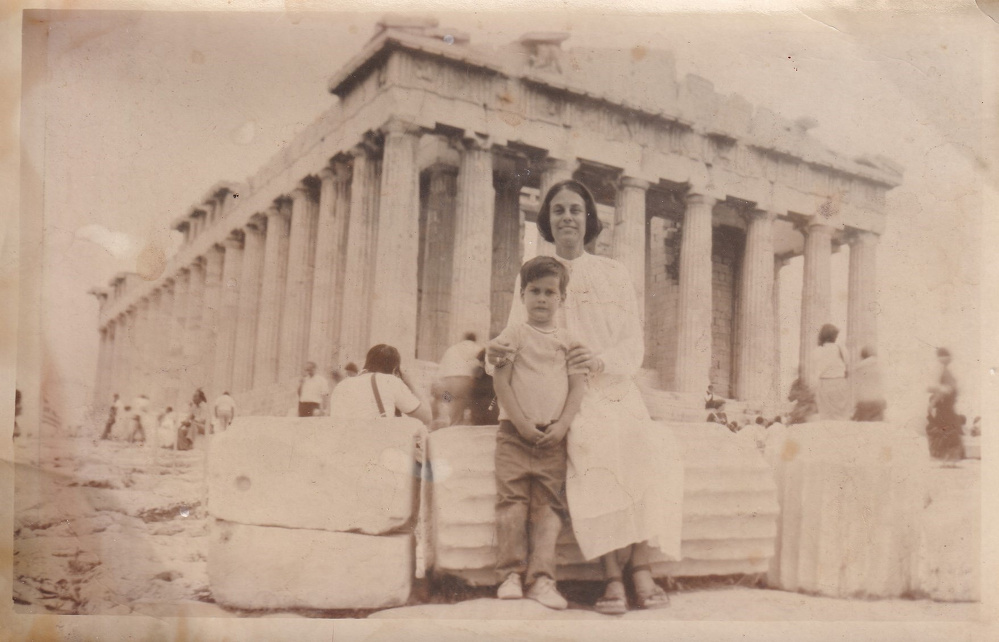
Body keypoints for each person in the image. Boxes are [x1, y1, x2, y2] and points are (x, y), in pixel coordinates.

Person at [489, 180, 682, 614]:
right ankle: (613, 577)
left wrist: (600, 361)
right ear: (547, 220)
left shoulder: (613, 273)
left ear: (589, 217)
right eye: (558, 210)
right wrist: (494, 356)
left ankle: (642, 569)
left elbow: (633, 346)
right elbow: (511, 339)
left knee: (646, 447)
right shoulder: (536, 271)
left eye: (575, 209)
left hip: (613, 386)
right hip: (566, 397)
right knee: (593, 454)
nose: (567, 218)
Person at [491, 256, 587, 610]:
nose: (542, 299)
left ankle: (542, 580)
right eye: (535, 291)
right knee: (511, 504)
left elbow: (577, 388)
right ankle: (509, 575)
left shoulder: (570, 341)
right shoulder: (512, 334)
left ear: (561, 298)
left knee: (549, 508)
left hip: (552, 438)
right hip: (514, 434)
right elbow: (501, 381)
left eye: (550, 292)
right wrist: (520, 424)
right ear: (523, 295)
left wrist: (561, 426)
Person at [329, 344, 432, 425]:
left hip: (344, 446)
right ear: (395, 369)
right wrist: (410, 383)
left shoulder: (342, 384)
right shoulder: (390, 381)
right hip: (374, 446)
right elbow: (427, 417)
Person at [435, 332, 484, 426]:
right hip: (465, 381)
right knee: (466, 407)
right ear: (475, 339)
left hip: (448, 382)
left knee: (454, 407)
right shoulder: (478, 348)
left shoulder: (452, 348)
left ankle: (454, 422)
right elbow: (480, 367)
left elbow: (441, 369)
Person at [926, 347, 964, 462]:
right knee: (947, 428)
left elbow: (946, 390)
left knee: (945, 428)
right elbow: (950, 389)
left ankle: (948, 456)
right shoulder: (947, 372)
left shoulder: (945, 372)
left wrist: (933, 402)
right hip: (947, 407)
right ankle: (949, 456)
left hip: (945, 407)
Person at [809, 324, 851, 420]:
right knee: (841, 416)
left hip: (824, 384)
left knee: (826, 417)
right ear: (835, 336)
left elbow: (815, 371)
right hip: (840, 383)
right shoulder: (841, 349)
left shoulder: (816, 351)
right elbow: (847, 361)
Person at [851, 346, 887, 421]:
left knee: (863, 429)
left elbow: (855, 388)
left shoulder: (858, 368)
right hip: (879, 402)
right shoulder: (881, 365)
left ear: (862, 356)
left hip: (864, 403)